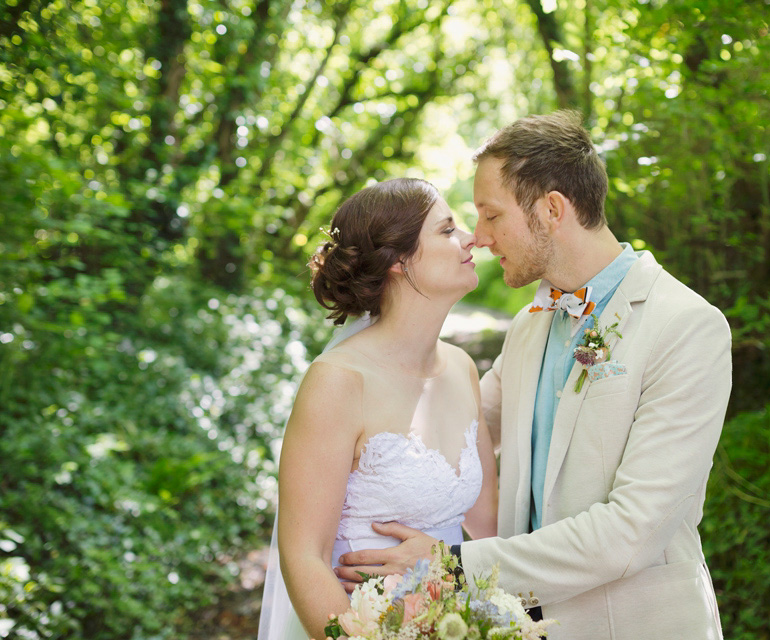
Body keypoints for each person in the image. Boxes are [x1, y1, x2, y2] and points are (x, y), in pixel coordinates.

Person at [335, 112, 732, 639]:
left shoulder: (686, 327)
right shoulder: (530, 326)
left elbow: (631, 533)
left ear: (551, 209)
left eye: (491, 215)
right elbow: (453, 435)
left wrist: (452, 566)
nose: (478, 237)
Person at [257, 178, 499, 640]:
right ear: (397, 261)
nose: (472, 237)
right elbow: (303, 554)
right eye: (447, 230)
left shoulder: (462, 368)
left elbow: (489, 528)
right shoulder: (338, 381)